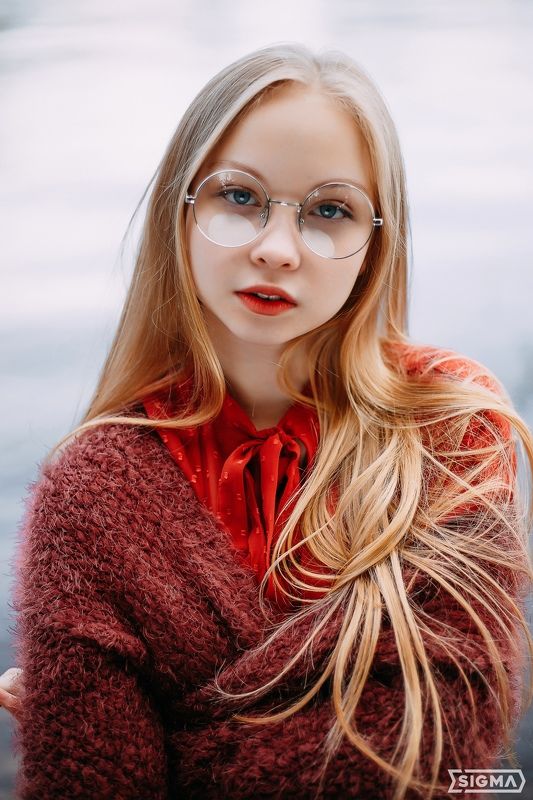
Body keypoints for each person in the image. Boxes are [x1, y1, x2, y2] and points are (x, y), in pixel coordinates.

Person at [3, 43, 533, 800]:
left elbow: (430, 755)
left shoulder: (448, 430)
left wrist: (174, 743)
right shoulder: (90, 489)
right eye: (240, 197)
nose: (276, 249)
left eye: (328, 210)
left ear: (373, 246)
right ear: (179, 212)